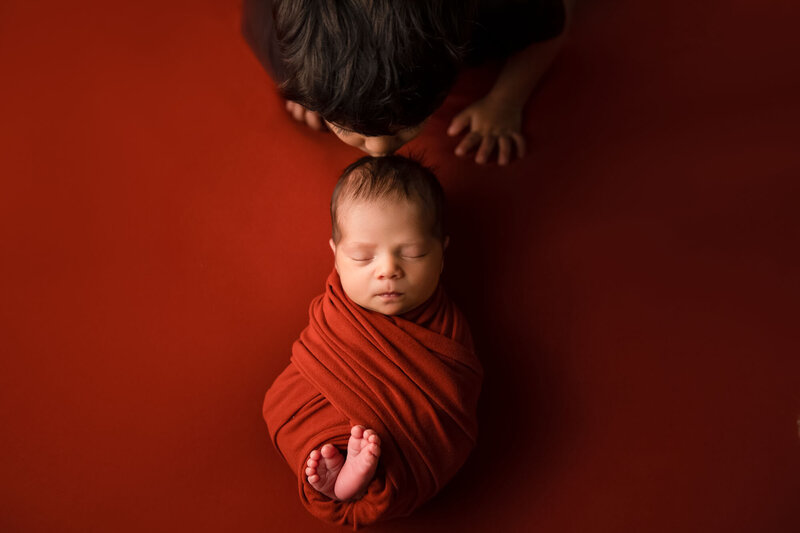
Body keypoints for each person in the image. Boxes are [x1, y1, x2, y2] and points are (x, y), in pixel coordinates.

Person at [262, 155, 483, 527]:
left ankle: (367, 473)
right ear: (336, 255)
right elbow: (305, 374)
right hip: (334, 413)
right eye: (362, 257)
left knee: (397, 433)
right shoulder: (335, 311)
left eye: (413, 254)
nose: (388, 270)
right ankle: (340, 473)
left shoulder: (444, 325)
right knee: (290, 406)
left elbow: (452, 399)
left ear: (443, 253)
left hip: (407, 453)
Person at [242, 0, 570, 165]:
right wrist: (308, 92)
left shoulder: (496, 10)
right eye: (346, 130)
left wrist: (506, 99)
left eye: (405, 126)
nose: (380, 152)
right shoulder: (273, 40)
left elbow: (555, 18)